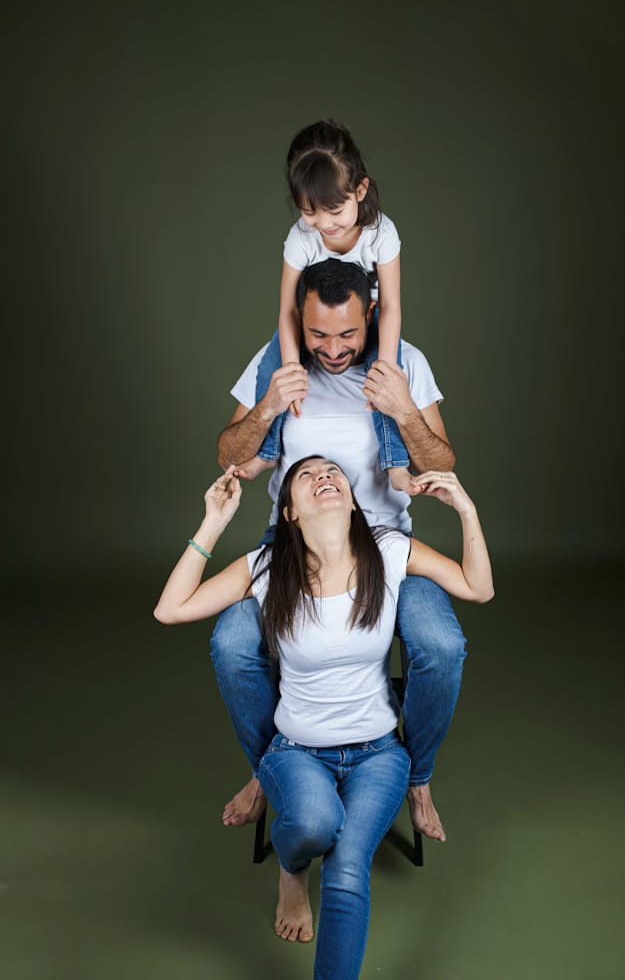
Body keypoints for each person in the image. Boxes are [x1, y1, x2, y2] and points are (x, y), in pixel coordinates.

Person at [154, 456, 494, 979]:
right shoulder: (267, 568)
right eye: (306, 476)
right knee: (313, 825)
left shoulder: (390, 550)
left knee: (347, 871)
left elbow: (478, 588)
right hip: (296, 752)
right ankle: (292, 873)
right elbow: (171, 609)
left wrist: (466, 511)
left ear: (354, 500)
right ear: (289, 511)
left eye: (333, 472)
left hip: (379, 754)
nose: (324, 478)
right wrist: (213, 522)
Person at [213, 258, 465, 844]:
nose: (331, 349)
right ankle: (268, 769)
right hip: (294, 547)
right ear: (300, 319)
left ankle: (417, 775)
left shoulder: (404, 362)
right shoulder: (275, 359)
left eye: (348, 334)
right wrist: (267, 406)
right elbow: (230, 453)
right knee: (230, 644)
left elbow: (443, 463)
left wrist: (402, 409)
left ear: (371, 315)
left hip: (388, 547)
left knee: (441, 645)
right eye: (318, 334)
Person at [255, 118, 410, 490]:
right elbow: (288, 310)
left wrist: (384, 367)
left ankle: (396, 462)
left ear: (360, 190)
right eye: (309, 212)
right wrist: (291, 368)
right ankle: (266, 451)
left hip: (366, 326)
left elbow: (389, 306)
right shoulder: (301, 239)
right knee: (272, 369)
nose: (324, 223)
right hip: (313, 328)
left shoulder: (381, 234)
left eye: (334, 210)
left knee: (392, 381)